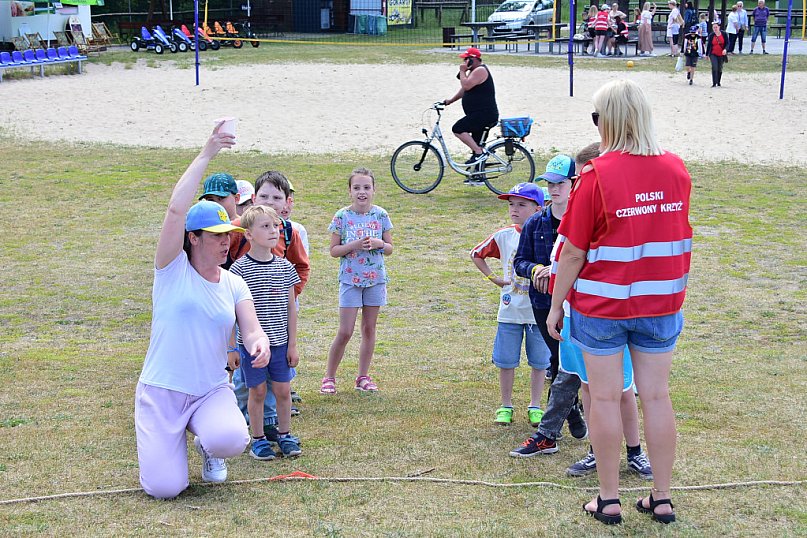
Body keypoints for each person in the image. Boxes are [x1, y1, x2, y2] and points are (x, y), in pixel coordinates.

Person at [547, 79, 692, 525]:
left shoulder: (597, 175)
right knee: (656, 397)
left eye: (596, 117)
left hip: (603, 305)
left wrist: (556, 306)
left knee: (605, 399)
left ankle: (608, 499)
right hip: (661, 301)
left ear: (607, 121)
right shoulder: (676, 169)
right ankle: (661, 497)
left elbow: (572, 251)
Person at [135, 126, 270, 499]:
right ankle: (168, 443)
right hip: (162, 393)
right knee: (166, 489)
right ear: (193, 238)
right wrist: (208, 151)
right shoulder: (170, 269)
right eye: (215, 235)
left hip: (210, 390)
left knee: (230, 439)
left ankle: (205, 443)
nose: (226, 241)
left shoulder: (233, 283)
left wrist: (260, 343)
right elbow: (177, 208)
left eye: (228, 234)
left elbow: (252, 327)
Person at [228, 171, 310, 442]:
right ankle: (250, 429)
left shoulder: (288, 239)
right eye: (264, 196)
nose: (273, 231)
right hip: (248, 339)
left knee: (280, 387)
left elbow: (300, 268)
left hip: (279, 334)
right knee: (252, 388)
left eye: (277, 197)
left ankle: (276, 428)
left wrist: (286, 291)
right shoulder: (239, 254)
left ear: (287, 202)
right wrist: (231, 346)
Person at [471, 183, 549, 426]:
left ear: (538, 208)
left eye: (521, 205)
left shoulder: (548, 235)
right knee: (506, 361)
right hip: (510, 311)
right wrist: (493, 278)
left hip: (539, 312)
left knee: (539, 362)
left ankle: (535, 405)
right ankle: (506, 405)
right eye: (511, 205)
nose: (514, 209)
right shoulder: (504, 236)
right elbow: (476, 253)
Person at [321, 167, 393, 394]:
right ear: (349, 191)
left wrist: (379, 244)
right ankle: (329, 377)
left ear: (374, 190)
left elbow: (390, 248)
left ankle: (363, 376)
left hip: (375, 280)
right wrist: (354, 245)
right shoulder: (342, 216)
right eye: (357, 188)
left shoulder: (381, 215)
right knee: (345, 331)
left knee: (369, 329)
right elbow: (334, 250)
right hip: (350, 280)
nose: (362, 192)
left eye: (366, 187)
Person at [443, 47, 499, 176]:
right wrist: (450, 101)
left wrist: (463, 71)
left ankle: (479, 153)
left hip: (484, 114)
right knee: (476, 145)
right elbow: (465, 89)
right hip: (478, 114)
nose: (463, 62)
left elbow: (466, 85)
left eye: (466, 59)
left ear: (472, 60)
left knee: (458, 128)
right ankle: (477, 176)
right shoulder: (474, 72)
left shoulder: (480, 70)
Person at [706, 20, 729, 87]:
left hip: (721, 54)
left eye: (716, 27)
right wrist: (707, 54)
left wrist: (725, 49)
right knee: (714, 67)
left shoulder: (724, 34)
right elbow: (709, 45)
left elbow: (727, 43)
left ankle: (718, 81)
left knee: (720, 68)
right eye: (714, 28)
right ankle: (714, 83)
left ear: (719, 27)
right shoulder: (711, 35)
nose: (715, 29)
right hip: (713, 53)